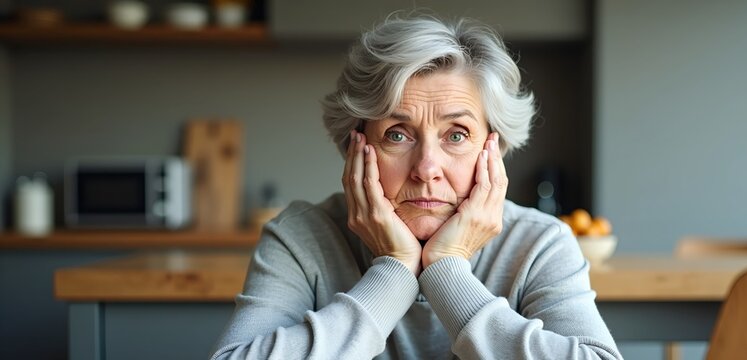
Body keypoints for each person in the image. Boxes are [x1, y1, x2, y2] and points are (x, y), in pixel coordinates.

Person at [211, 14, 622, 360]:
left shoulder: (539, 243)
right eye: (397, 134)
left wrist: (447, 269)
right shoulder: (299, 237)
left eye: (456, 135)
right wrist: (393, 269)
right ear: (356, 145)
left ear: (492, 150)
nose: (426, 169)